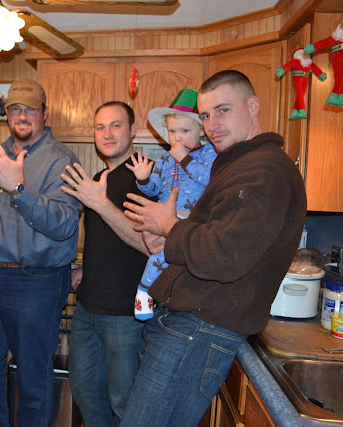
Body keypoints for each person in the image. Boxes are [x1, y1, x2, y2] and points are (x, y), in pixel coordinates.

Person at [119, 70, 307, 427]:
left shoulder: (264, 171)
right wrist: (169, 241)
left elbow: (224, 255)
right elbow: (216, 236)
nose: (212, 125)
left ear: (253, 106)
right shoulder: (240, 165)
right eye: (205, 115)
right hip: (190, 325)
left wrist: (170, 227)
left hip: (198, 328)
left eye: (223, 110)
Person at [0, 79, 82, 426]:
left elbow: (64, 224)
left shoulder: (62, 160)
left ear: (45, 113)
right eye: (15, 109)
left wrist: (17, 187)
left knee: (32, 377)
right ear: (6, 113)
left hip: (37, 280)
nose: (22, 115)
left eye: (30, 109)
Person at [59, 101, 151, 426]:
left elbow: (148, 244)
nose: (107, 133)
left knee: (125, 403)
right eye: (100, 127)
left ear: (133, 130)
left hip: (126, 314)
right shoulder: (97, 179)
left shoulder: (146, 178)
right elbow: (105, 238)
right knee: (86, 393)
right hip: (88, 308)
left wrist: (100, 203)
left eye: (116, 125)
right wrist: (87, 266)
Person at [127, 88, 217, 320]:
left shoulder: (210, 154)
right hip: (163, 219)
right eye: (172, 131)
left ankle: (144, 291)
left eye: (185, 131)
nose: (177, 138)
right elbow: (153, 189)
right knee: (162, 255)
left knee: (167, 257)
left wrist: (184, 158)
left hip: (192, 220)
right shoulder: (164, 159)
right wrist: (143, 179)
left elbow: (209, 180)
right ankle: (150, 293)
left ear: (201, 131)